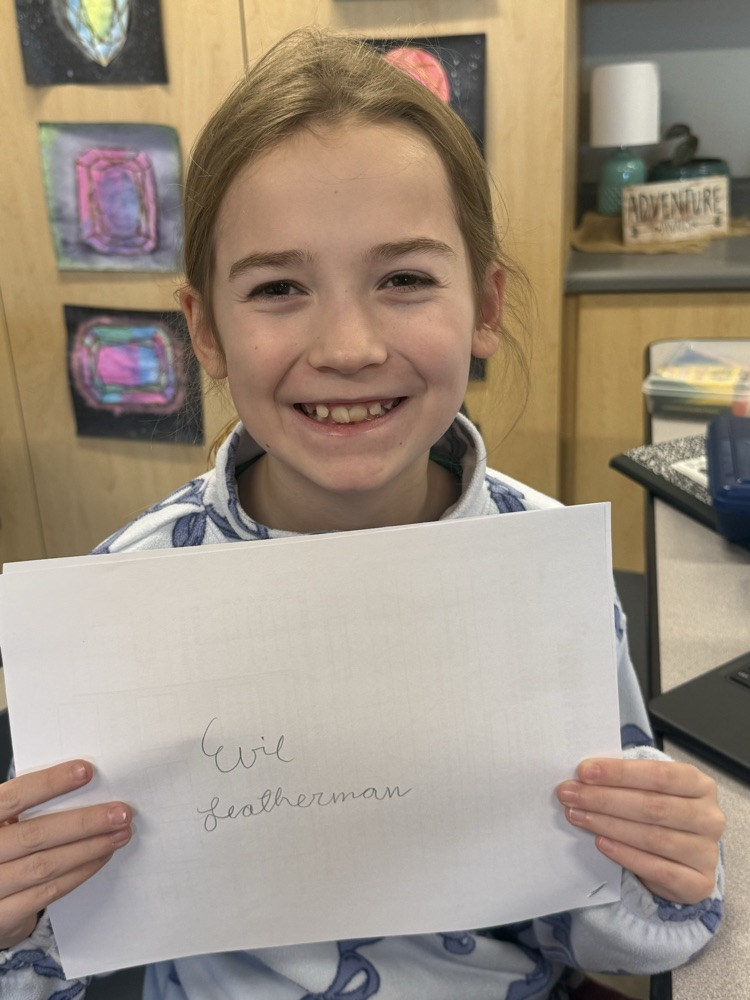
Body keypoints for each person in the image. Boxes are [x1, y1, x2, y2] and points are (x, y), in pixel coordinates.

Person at [0, 28, 725, 1000]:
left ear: (486, 307)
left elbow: (610, 930)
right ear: (206, 330)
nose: (347, 346)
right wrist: (18, 921)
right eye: (278, 288)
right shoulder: (124, 597)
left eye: (404, 279)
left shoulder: (542, 575)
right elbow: (61, 954)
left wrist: (665, 873)